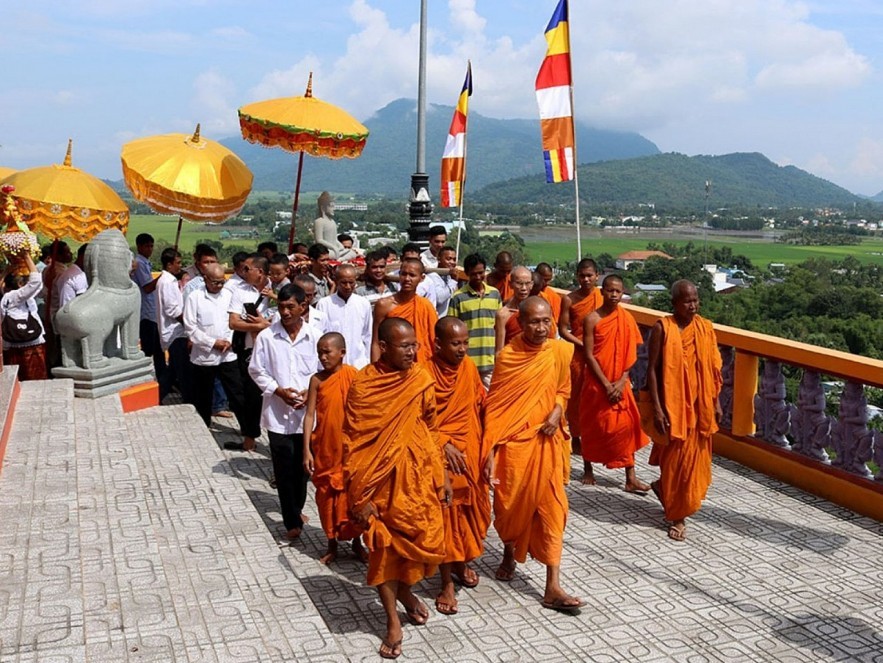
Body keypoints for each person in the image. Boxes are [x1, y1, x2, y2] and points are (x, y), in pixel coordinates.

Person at [343, 317, 449, 660]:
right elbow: (354, 442)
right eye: (404, 346)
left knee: (419, 544)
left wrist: (442, 476)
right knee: (383, 552)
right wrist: (361, 495)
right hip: (379, 485)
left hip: (417, 478)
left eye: (415, 345)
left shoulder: (420, 378)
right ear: (383, 347)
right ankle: (392, 622)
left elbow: (431, 427)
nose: (412, 352)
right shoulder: (363, 386)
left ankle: (406, 593)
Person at [483, 296, 582, 613]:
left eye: (546, 321)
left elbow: (563, 389)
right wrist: (490, 453)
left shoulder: (559, 351)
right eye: (534, 322)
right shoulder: (509, 357)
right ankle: (509, 551)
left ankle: (552, 585)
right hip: (515, 447)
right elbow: (496, 408)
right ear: (521, 324)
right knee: (510, 508)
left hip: (548, 444)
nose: (541, 328)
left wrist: (557, 410)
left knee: (554, 511)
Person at [646, 280, 723, 542]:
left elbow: (712, 371)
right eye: (686, 301)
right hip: (672, 408)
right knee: (675, 462)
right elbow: (652, 373)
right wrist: (657, 409)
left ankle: (666, 492)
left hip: (700, 409)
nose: (692, 306)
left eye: (695, 300)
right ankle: (676, 515)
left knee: (692, 464)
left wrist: (717, 403)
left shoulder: (705, 328)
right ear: (674, 304)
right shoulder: (662, 329)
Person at [425, 317, 490, 616]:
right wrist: (444, 443)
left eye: (466, 342)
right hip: (440, 456)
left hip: (471, 453)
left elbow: (480, 405)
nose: (463, 349)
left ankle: (462, 564)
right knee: (444, 516)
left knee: (467, 513)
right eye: (456, 343)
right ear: (438, 343)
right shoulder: (423, 373)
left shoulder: (468, 369)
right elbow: (416, 420)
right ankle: (445, 584)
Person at [249, 283, 320, 539]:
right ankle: (292, 520)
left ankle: (297, 508)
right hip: (278, 416)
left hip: (306, 415)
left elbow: (322, 372)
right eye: (281, 306)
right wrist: (278, 391)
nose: (286, 312)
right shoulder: (268, 337)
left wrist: (307, 393)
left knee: (303, 468)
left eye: (291, 307)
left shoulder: (315, 335)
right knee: (282, 467)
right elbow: (257, 370)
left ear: (303, 307)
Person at [579, 274, 651, 490]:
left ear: (622, 293)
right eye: (609, 290)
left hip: (620, 383)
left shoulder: (626, 319)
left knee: (626, 426)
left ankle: (630, 477)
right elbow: (589, 355)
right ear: (602, 292)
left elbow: (630, 354)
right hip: (596, 382)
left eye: (618, 291)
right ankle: (588, 468)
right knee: (593, 425)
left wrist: (621, 381)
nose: (613, 295)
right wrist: (607, 384)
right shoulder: (591, 319)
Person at [302, 332, 366, 564]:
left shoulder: (355, 377)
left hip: (350, 451)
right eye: (319, 352)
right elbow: (309, 416)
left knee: (353, 497)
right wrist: (306, 449)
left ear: (342, 352)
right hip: (326, 450)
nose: (322, 357)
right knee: (327, 497)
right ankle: (331, 544)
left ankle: (357, 543)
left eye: (327, 352)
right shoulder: (317, 380)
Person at [182, 262, 248, 430]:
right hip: (204, 356)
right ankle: (203, 428)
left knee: (237, 393)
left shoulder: (229, 295)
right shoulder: (194, 297)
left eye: (221, 282)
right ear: (205, 279)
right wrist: (212, 343)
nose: (219, 286)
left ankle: (247, 430)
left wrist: (228, 341)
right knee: (203, 396)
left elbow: (236, 320)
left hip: (228, 353)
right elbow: (190, 327)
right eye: (215, 282)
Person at [226, 253, 272, 452]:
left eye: (247, 269)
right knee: (249, 397)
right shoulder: (240, 291)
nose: (243, 272)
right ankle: (249, 439)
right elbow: (233, 322)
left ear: (259, 272)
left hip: (273, 351)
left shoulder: (277, 290)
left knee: (272, 397)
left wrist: (264, 326)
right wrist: (255, 327)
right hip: (249, 351)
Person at [558, 258, 602, 454]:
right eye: (582, 276)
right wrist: (582, 344)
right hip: (578, 353)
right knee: (576, 397)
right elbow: (563, 330)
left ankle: (594, 435)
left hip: (600, 352)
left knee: (596, 395)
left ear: (597, 276)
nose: (586, 279)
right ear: (577, 276)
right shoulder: (569, 299)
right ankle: (576, 436)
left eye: (589, 275)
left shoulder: (602, 297)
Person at [447, 253, 502, 389]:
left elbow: (500, 326)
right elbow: (452, 330)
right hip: (467, 360)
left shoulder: (495, 294)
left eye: (481, 273)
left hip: (490, 360)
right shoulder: (458, 297)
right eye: (473, 274)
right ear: (466, 273)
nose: (478, 277)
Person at [371, 257, 437, 364]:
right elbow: (375, 341)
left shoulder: (426, 306)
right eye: (403, 274)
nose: (407, 279)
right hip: (391, 364)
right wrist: (374, 369)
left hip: (419, 367)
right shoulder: (384, 305)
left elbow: (433, 340)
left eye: (412, 275)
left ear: (422, 278)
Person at [1, 252, 48, 380]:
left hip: (12, 343)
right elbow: (36, 281)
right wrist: (26, 256)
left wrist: (9, 268)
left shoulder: (7, 296)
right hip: (29, 343)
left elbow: (38, 285)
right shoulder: (16, 296)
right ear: (21, 285)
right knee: (33, 378)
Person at [155, 247, 193, 404]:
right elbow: (172, 309)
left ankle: (158, 396)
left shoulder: (166, 280)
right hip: (175, 332)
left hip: (173, 332)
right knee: (181, 370)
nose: (180, 266)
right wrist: (189, 324)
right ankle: (188, 399)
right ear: (169, 265)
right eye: (178, 263)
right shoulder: (168, 282)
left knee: (174, 370)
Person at [315, 264, 371, 369]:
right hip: (332, 367)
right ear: (336, 281)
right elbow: (319, 335)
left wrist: (368, 361)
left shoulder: (363, 303)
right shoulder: (324, 304)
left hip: (359, 364)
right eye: (344, 283)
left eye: (351, 282)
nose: (348, 286)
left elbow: (368, 335)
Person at [131, 233, 166, 381]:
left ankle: (163, 377)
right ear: (139, 247)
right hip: (145, 312)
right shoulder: (139, 264)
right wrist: (164, 276)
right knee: (149, 348)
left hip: (151, 311)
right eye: (147, 246)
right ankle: (145, 377)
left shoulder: (145, 263)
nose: (150, 249)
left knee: (158, 348)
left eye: (151, 246)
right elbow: (147, 287)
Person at [494, 266, 535, 353]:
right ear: (510, 284)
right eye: (519, 283)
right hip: (512, 361)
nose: (523, 288)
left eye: (527, 283)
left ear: (532, 285)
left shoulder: (536, 311)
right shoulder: (503, 314)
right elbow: (499, 351)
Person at [313, 191, 363, 260]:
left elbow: (334, 239)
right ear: (323, 208)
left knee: (352, 253)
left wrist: (340, 246)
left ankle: (339, 260)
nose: (333, 209)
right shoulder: (319, 221)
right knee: (328, 255)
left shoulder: (332, 222)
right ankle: (338, 259)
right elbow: (319, 240)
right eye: (331, 206)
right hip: (326, 251)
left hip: (336, 250)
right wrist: (333, 247)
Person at [423, 245, 458, 318]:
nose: (452, 262)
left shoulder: (449, 277)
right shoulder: (432, 276)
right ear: (439, 259)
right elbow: (440, 298)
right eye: (449, 259)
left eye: (454, 259)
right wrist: (453, 281)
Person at [53, 243, 88, 314]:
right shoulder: (77, 275)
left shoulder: (75, 273)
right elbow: (82, 302)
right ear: (84, 257)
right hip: (70, 316)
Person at [534, 262, 562, 326]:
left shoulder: (554, 297)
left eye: (549, 280)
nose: (548, 283)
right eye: (545, 280)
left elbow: (556, 321)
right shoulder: (524, 293)